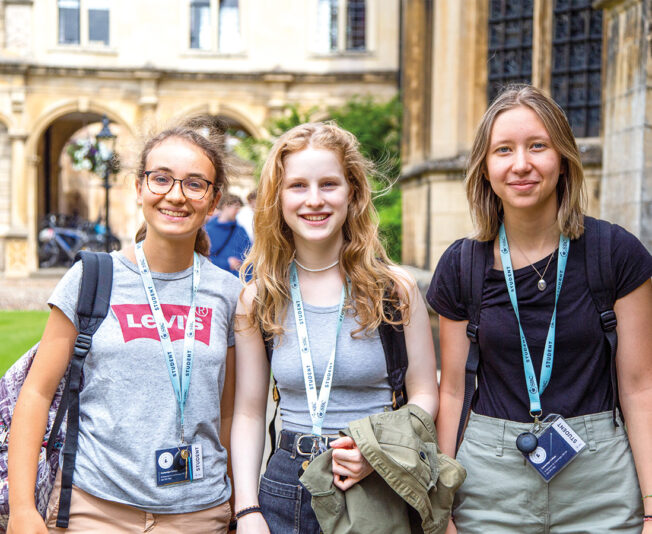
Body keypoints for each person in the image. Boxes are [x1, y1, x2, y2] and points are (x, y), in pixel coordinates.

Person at [428, 84, 652, 533]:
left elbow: (640, 388)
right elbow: (452, 392)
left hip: (601, 483)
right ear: (485, 169)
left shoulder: (615, 253)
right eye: (503, 150)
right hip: (487, 484)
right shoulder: (462, 265)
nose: (521, 164)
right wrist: (441, 506)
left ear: (564, 159)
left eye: (537, 146)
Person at [7, 116, 241, 533]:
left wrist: (240, 507)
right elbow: (37, 393)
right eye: (161, 179)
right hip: (93, 508)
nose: (176, 195)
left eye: (194, 183)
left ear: (213, 198)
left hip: (198, 514)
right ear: (138, 188)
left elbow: (227, 417)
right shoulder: (92, 277)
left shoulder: (229, 294)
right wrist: (24, 509)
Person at [230, 122, 439, 533]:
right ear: (277, 198)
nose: (314, 200)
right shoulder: (259, 297)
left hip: (376, 481)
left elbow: (425, 394)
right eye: (297, 186)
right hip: (286, 487)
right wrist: (247, 509)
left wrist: (379, 453)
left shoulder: (394, 289)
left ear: (353, 193)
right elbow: (250, 413)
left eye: (329, 184)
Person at [205, 193, 252, 278]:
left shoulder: (240, 230)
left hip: (237, 283)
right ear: (225, 206)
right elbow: (201, 260)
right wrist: (226, 263)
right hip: (214, 280)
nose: (238, 211)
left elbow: (250, 258)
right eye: (236, 208)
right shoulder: (207, 230)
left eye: (239, 208)